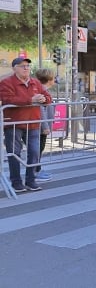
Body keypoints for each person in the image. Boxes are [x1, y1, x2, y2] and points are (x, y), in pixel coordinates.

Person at [0, 58, 53, 193]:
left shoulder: (35, 82)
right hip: (14, 124)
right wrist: (31, 100)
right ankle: (16, 182)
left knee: (34, 153)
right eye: (22, 66)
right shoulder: (6, 83)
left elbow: (48, 97)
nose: (26, 68)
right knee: (14, 154)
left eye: (28, 66)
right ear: (14, 68)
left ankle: (31, 180)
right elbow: (8, 99)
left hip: (33, 123)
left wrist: (43, 99)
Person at [34, 68, 56, 182]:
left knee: (38, 148)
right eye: (53, 78)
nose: (55, 80)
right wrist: (46, 127)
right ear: (49, 79)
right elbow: (41, 110)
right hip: (40, 126)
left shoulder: (42, 90)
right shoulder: (41, 91)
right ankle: (35, 172)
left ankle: (37, 170)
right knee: (37, 148)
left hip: (41, 125)